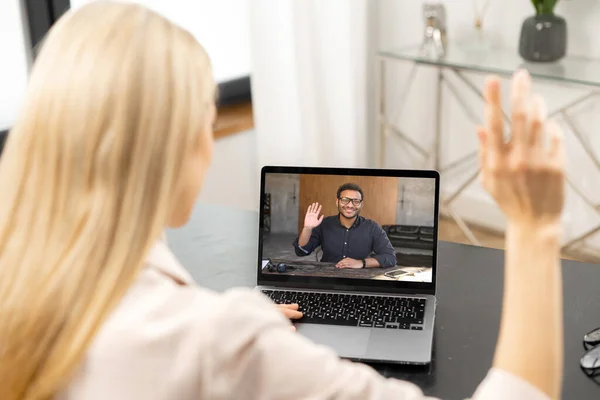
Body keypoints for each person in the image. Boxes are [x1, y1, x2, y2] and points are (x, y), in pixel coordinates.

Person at [0, 2, 564, 399]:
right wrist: (534, 225)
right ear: (173, 146)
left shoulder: (23, 281)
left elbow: (392, 265)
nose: (345, 206)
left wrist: (264, 307)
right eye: (208, 117)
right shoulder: (212, 342)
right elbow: (298, 255)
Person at [293, 183, 397, 269]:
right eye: (345, 200)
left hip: (360, 279)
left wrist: (361, 263)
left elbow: (390, 258)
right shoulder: (325, 224)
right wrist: (307, 228)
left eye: (356, 201)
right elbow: (301, 251)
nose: (350, 205)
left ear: (361, 204)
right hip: (327, 276)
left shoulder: (372, 227)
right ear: (337, 202)